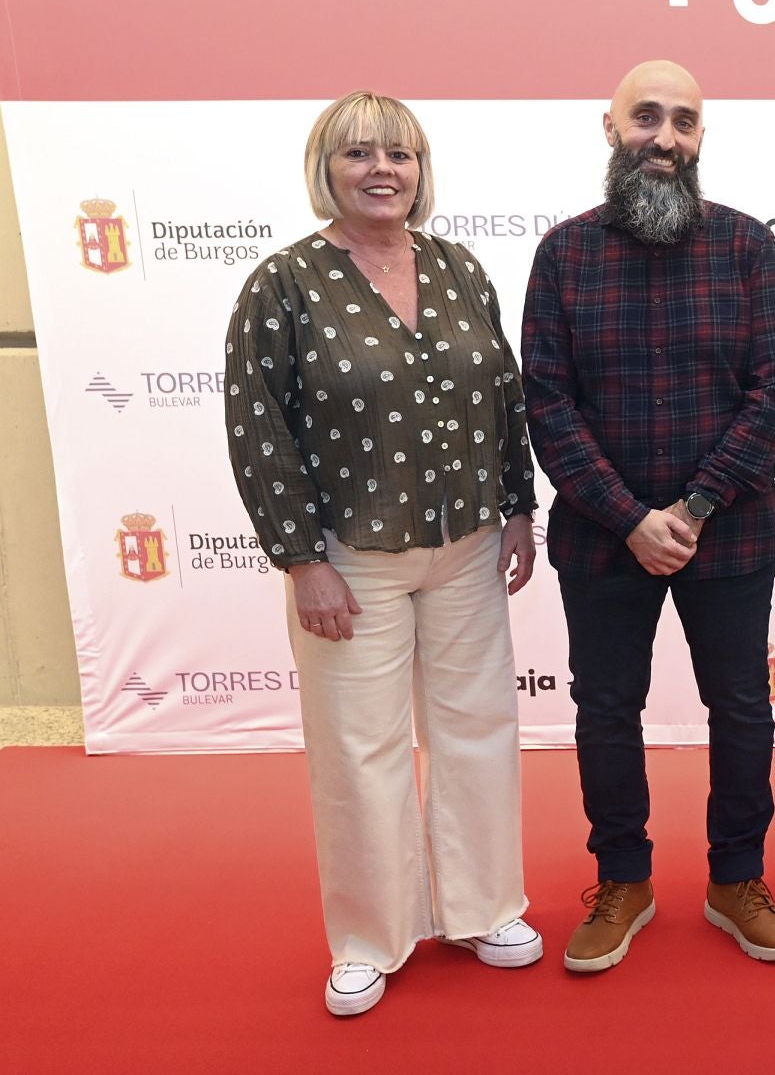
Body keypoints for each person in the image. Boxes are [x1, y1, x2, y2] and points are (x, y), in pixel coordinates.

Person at [223, 92, 543, 1017]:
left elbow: (504, 397)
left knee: (477, 730)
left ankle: (484, 908)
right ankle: (369, 936)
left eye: (398, 154)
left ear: (420, 169)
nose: (382, 170)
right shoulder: (283, 283)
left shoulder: (457, 267)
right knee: (359, 750)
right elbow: (258, 426)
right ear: (326, 167)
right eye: (359, 153)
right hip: (349, 558)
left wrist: (519, 509)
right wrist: (300, 558)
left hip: (467, 542)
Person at [521, 59, 775, 971]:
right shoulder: (562, 256)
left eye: (684, 122)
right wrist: (629, 517)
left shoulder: (746, 247)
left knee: (741, 709)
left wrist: (691, 506)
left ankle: (737, 879)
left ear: (700, 139)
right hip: (602, 541)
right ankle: (623, 880)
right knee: (607, 710)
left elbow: (773, 396)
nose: (666, 138)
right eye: (647, 118)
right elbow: (547, 405)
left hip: (731, 534)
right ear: (610, 128)